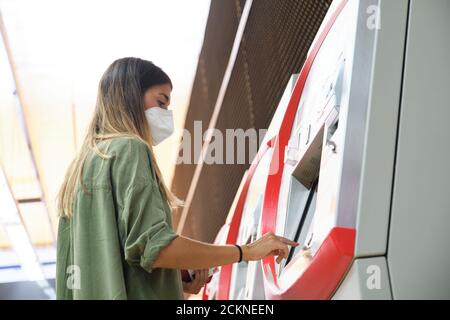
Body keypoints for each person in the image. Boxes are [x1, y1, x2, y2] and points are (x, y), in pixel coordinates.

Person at [56, 57, 299, 300]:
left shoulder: (78, 172)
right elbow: (156, 248)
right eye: (161, 103)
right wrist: (247, 251)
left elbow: (108, 260)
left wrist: (171, 277)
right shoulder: (130, 149)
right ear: (131, 96)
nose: (166, 115)